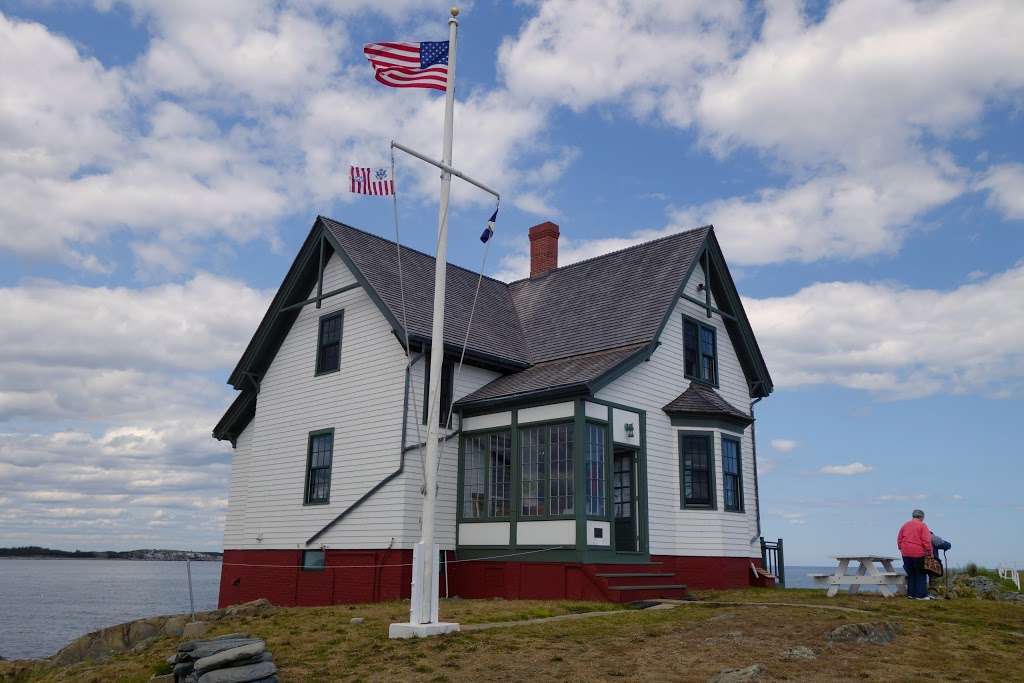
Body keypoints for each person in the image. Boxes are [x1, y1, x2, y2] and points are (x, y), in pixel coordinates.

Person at [897, 509, 933, 599]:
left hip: (905, 552)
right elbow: (926, 541)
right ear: (921, 517)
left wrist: (901, 548)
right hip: (918, 552)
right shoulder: (922, 525)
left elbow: (899, 538)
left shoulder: (905, 525)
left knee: (911, 573)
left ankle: (911, 594)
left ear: (913, 516)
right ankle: (920, 595)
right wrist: (929, 552)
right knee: (920, 573)